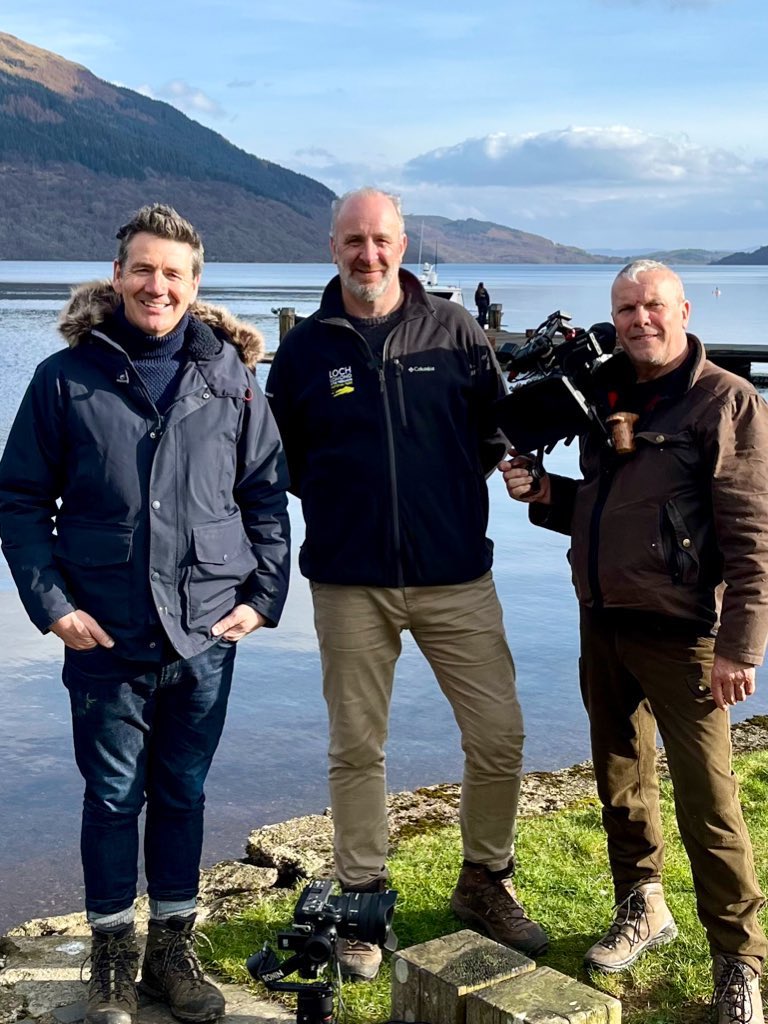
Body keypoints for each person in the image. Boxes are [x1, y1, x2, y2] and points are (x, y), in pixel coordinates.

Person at [0, 204, 290, 1024]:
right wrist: (52, 607)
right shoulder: (66, 378)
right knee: (112, 795)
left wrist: (262, 599)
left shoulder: (231, 377)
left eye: (173, 273)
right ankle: (111, 960)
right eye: (142, 269)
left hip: (204, 632)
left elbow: (266, 494)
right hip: (103, 628)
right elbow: (19, 500)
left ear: (195, 285)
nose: (156, 285)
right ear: (117, 273)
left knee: (185, 792)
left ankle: (171, 949)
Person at [265, 187, 546, 983]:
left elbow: (498, 430)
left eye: (381, 239)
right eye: (353, 240)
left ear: (403, 241)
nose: (369, 254)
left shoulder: (453, 330)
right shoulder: (306, 349)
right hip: (349, 581)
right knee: (357, 747)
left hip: (455, 573)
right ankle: (362, 900)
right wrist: (337, 501)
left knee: (499, 734)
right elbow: (279, 456)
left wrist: (483, 484)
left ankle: (484, 881)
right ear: (332, 248)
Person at [500, 259, 768, 1024]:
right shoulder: (608, 395)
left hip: (686, 634)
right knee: (620, 778)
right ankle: (641, 905)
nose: (639, 320)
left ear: (683, 309)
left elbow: (754, 537)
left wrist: (740, 646)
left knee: (710, 802)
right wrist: (547, 495)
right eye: (625, 309)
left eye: (653, 306)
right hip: (603, 619)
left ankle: (740, 963)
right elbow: (609, 507)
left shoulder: (727, 403)